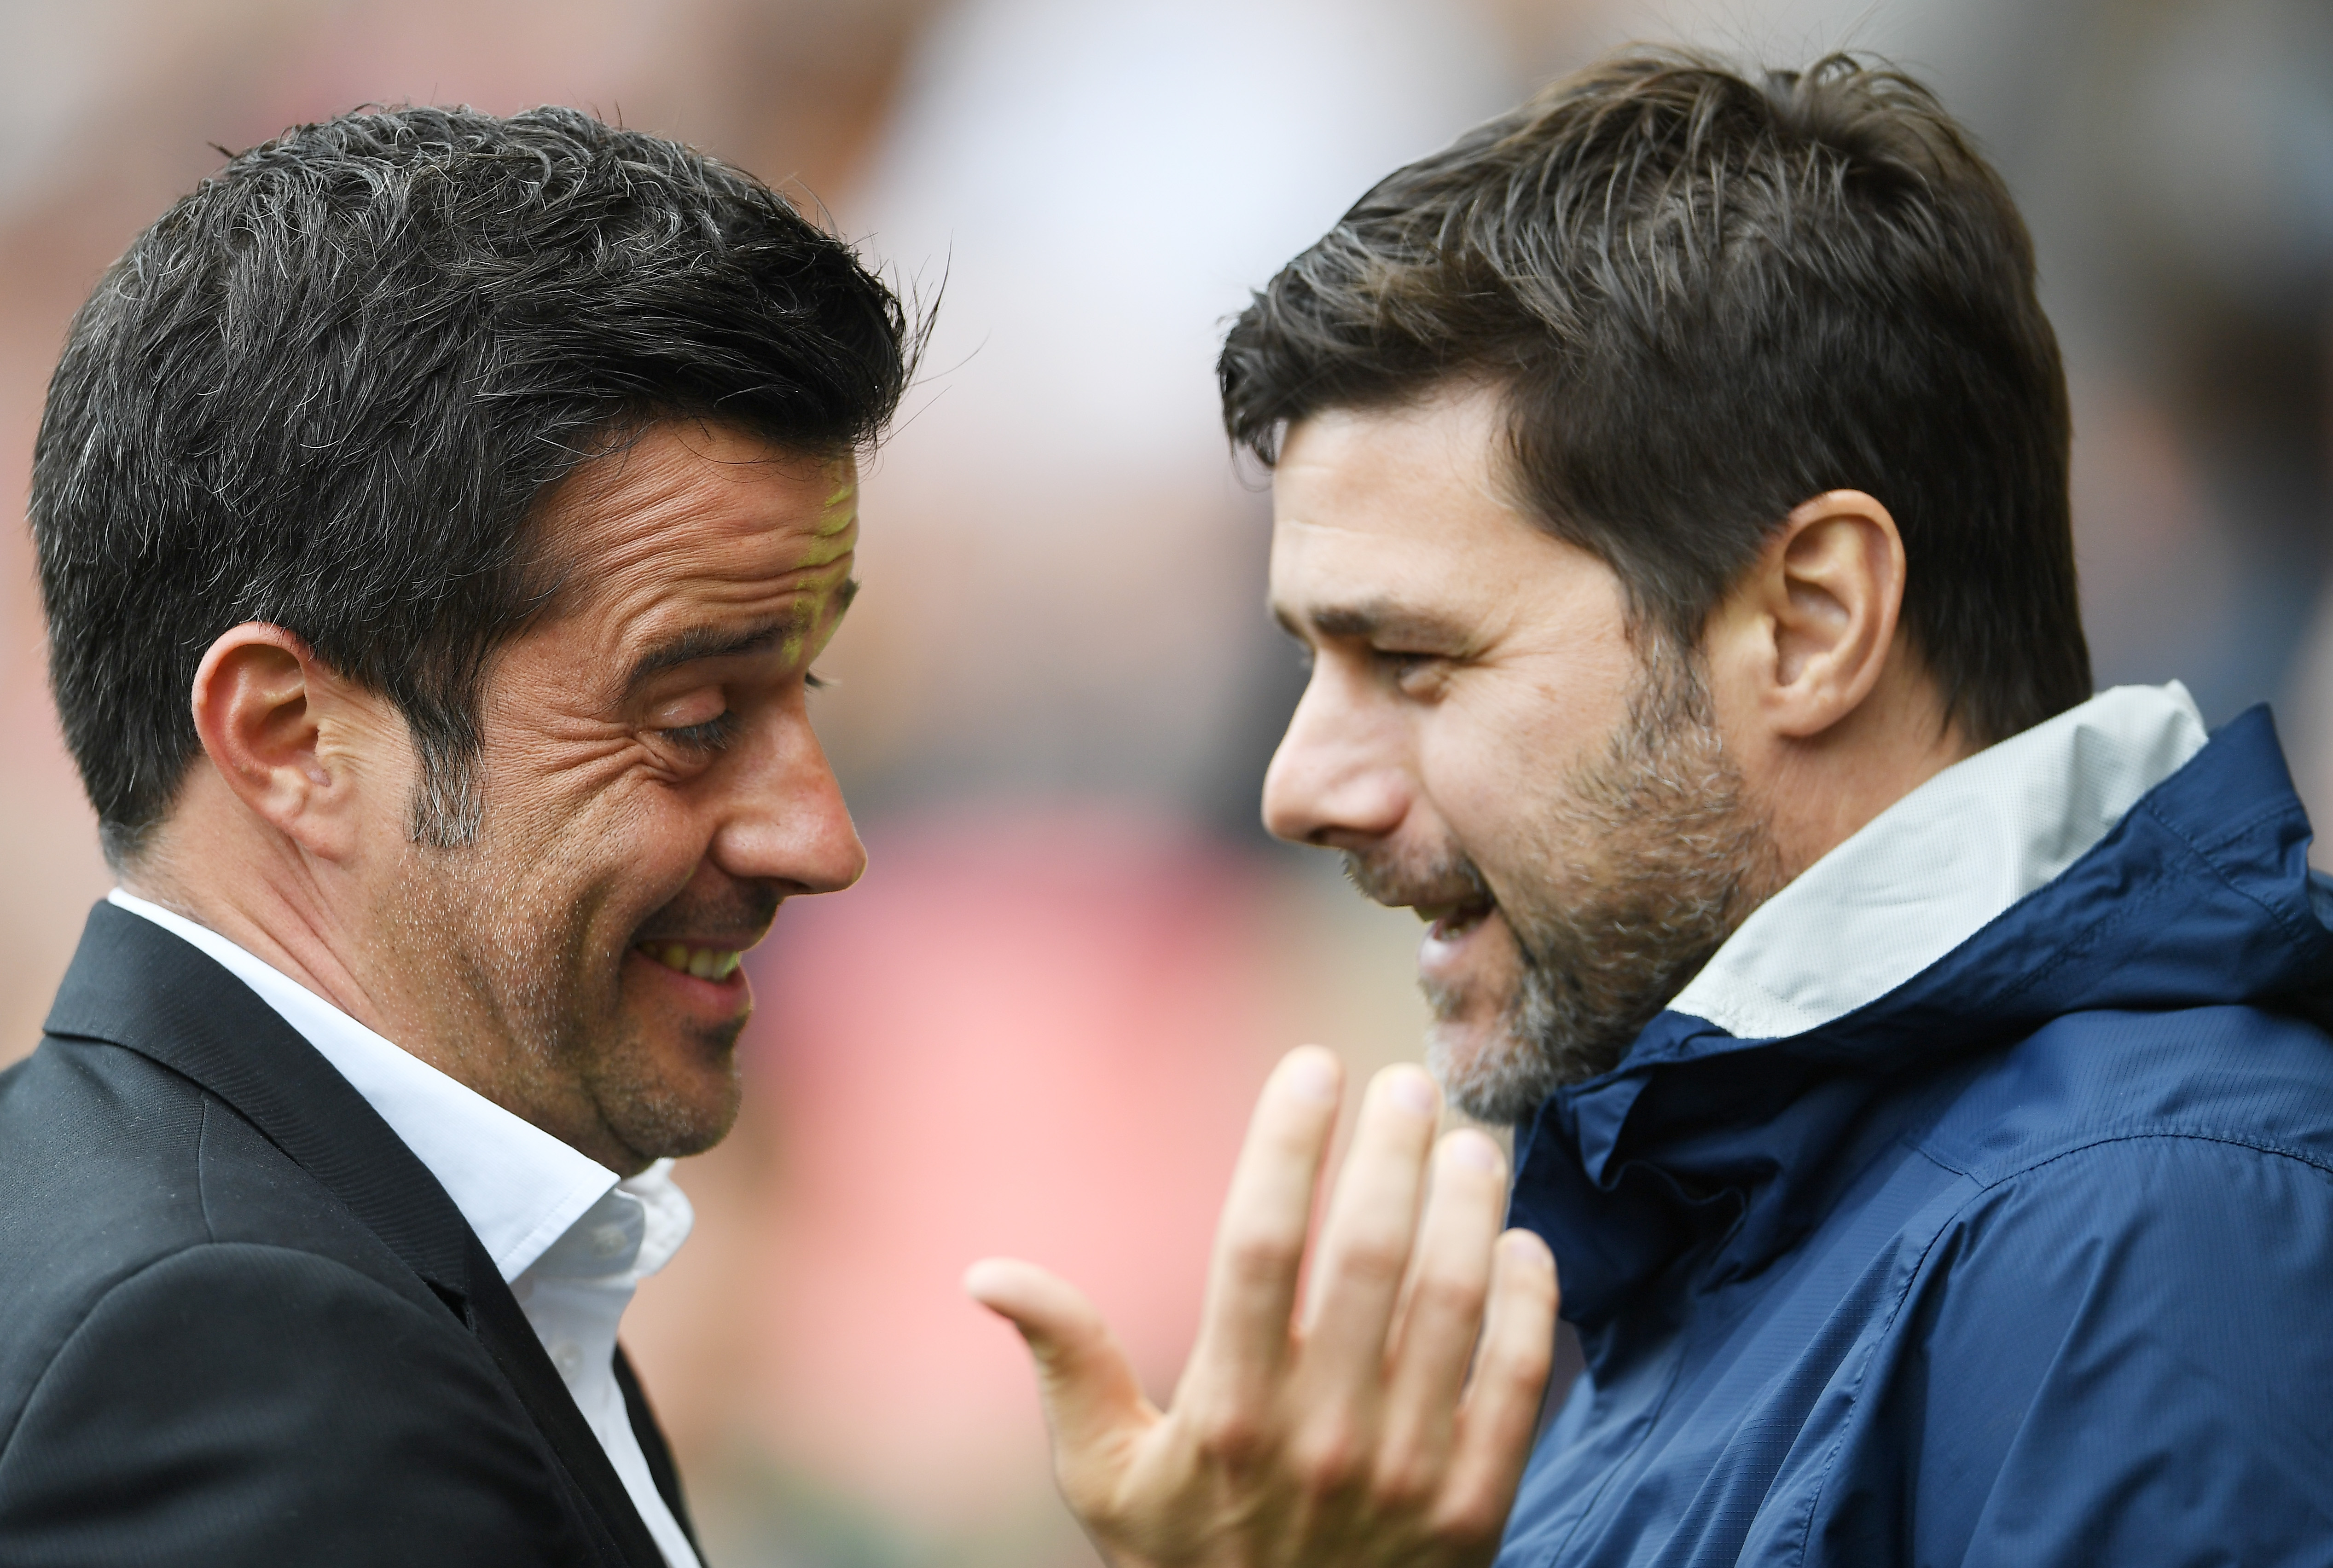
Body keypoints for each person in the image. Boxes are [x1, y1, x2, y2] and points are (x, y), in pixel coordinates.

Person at [0, 106, 1558, 1567]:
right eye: (691, 718)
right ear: (294, 742)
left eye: (809, 688)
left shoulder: (228, 1253)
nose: (818, 835)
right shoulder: (230, 1352)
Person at [982, 46, 2333, 1568]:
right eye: (1309, 662)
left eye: (1413, 657)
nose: (1299, 790)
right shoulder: (1701, 1200)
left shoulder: (2150, 1241)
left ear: (1812, 623)